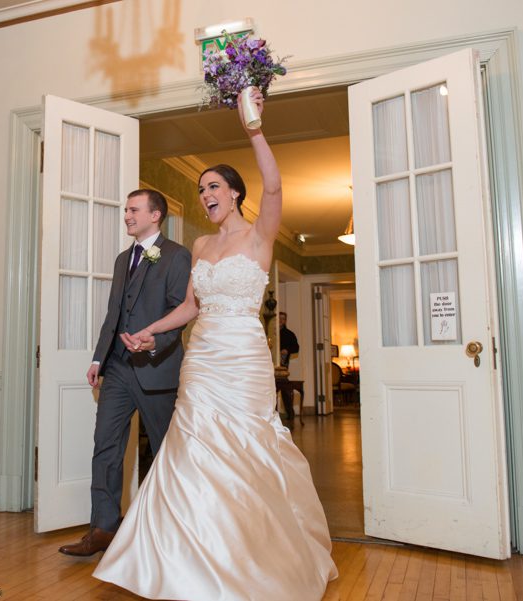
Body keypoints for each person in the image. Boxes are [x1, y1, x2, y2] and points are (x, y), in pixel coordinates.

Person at [93, 89, 337, 600]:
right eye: (202, 187)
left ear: (234, 194)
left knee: (245, 452)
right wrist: (151, 331)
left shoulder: (260, 237)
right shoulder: (201, 246)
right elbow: (190, 307)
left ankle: (250, 558)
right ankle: (182, 555)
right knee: (190, 450)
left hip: (243, 356)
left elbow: (274, 187)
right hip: (202, 356)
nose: (206, 193)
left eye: (214, 186)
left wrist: (253, 128)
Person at [57, 189, 191, 557]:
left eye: (134, 210)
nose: (127, 216)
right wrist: (99, 359)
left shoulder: (178, 255)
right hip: (117, 369)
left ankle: (171, 530)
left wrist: (155, 342)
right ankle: (102, 530)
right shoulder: (122, 260)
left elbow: (183, 309)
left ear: (156, 214)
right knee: (106, 448)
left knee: (166, 450)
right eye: (126, 210)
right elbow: (113, 313)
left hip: (157, 369)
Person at [278, 311, 301, 420]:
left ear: (285, 320)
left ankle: (290, 413)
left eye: (283, 318)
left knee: (285, 389)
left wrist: (287, 350)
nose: (281, 320)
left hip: (283, 366)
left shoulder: (289, 334)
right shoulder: (270, 332)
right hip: (269, 365)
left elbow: (296, 348)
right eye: (279, 318)